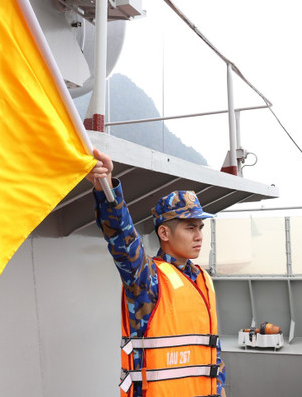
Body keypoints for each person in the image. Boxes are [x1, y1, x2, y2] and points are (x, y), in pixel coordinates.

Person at [86, 149, 226, 397]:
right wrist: (106, 189)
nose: (199, 236)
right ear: (164, 233)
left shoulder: (203, 280)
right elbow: (121, 235)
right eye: (190, 227)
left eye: (201, 227)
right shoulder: (146, 277)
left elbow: (212, 353)